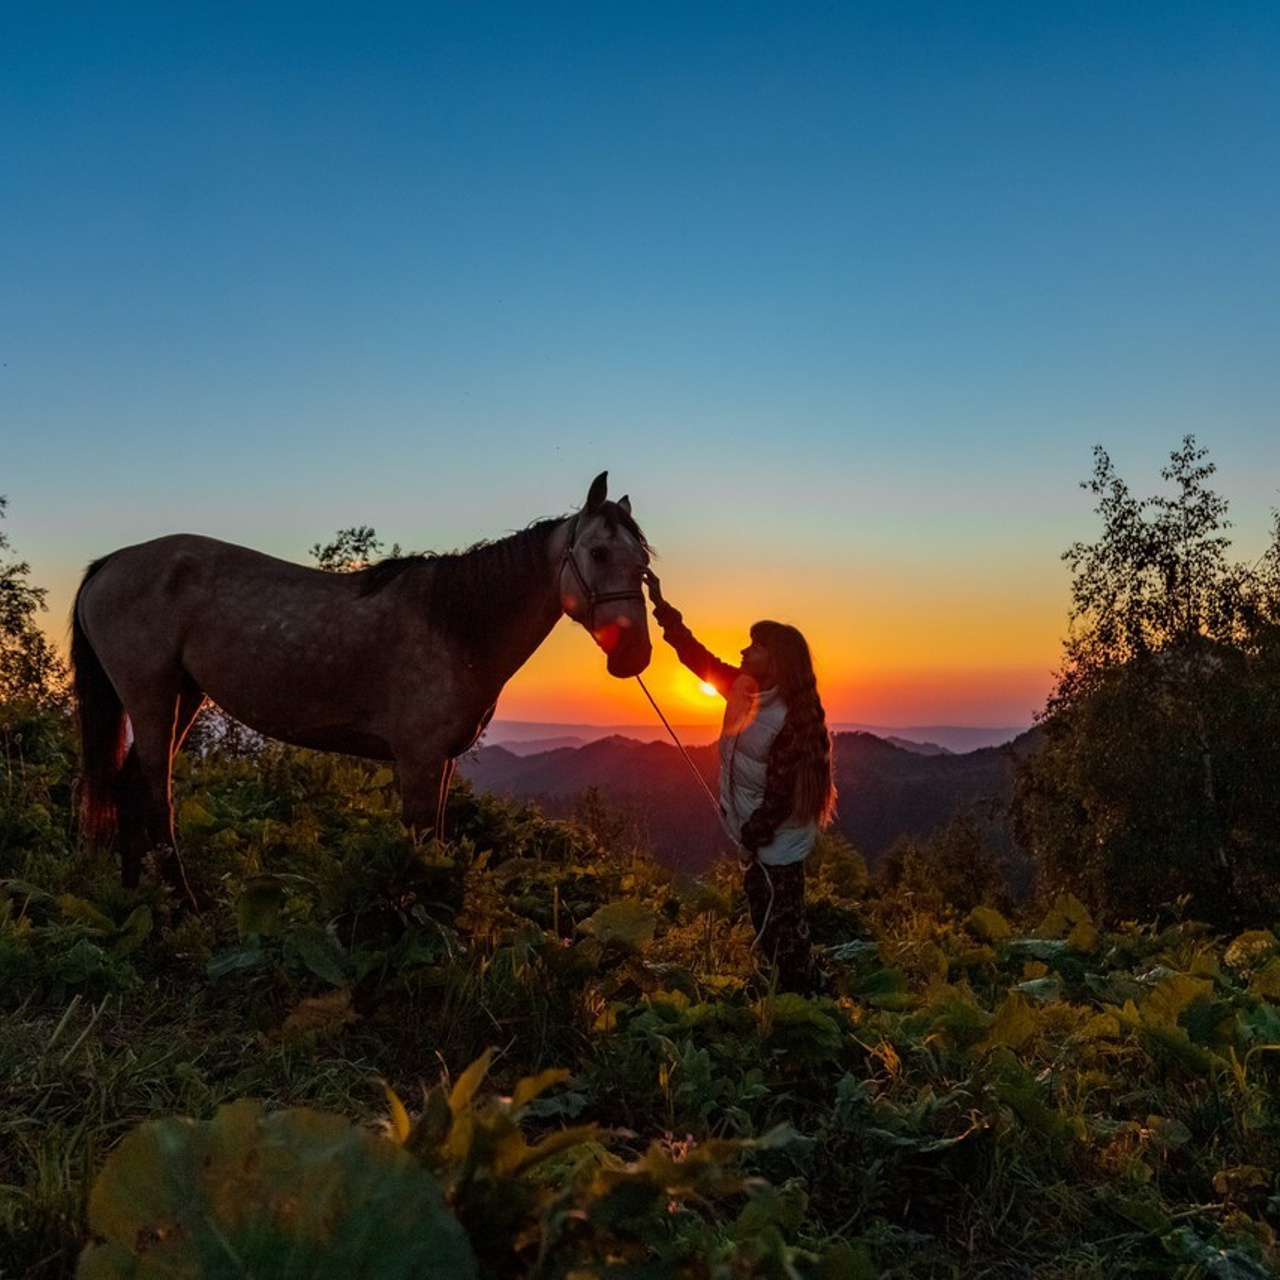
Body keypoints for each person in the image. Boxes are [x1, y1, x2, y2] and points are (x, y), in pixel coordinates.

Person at [643, 570, 836, 993]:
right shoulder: (742, 689)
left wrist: (750, 837)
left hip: (778, 840)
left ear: (776, 660)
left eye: (755, 646)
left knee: (783, 932)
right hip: (760, 833)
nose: (744, 650)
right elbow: (694, 656)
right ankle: (794, 997)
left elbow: (781, 796)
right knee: (769, 924)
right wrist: (659, 604)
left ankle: (811, 1000)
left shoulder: (792, 718)